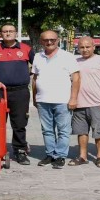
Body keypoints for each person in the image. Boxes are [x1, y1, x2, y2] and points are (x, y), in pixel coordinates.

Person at [0, 24, 35, 165]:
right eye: (5, 31)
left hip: (20, 92)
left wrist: (27, 74)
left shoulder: (26, 49)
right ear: (1, 33)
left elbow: (37, 66)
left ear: (16, 33)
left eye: (11, 31)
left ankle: (20, 151)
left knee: (19, 123)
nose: (8, 33)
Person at [32, 30, 80, 169]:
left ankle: (60, 156)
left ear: (58, 40)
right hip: (43, 100)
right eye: (46, 40)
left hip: (62, 100)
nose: (49, 42)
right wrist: (35, 97)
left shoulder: (67, 56)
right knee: (47, 130)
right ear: (41, 41)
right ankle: (50, 154)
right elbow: (35, 79)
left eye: (52, 39)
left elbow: (76, 78)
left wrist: (73, 98)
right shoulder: (37, 56)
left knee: (63, 130)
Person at [69, 36, 100, 168]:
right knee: (81, 132)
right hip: (79, 104)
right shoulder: (74, 61)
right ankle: (82, 156)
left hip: (98, 104)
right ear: (78, 48)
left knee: (99, 132)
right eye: (82, 47)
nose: (85, 50)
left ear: (94, 47)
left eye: (88, 47)